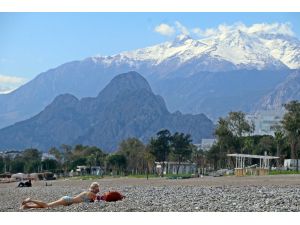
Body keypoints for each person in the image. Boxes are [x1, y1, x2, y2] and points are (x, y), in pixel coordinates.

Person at [20, 182, 100, 209]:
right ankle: (30, 200)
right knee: (47, 205)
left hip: (68, 200)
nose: (98, 190)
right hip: (67, 200)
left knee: (46, 206)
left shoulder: (88, 193)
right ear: (95, 188)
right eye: (98, 188)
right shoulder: (91, 194)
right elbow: (99, 199)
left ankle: (28, 206)